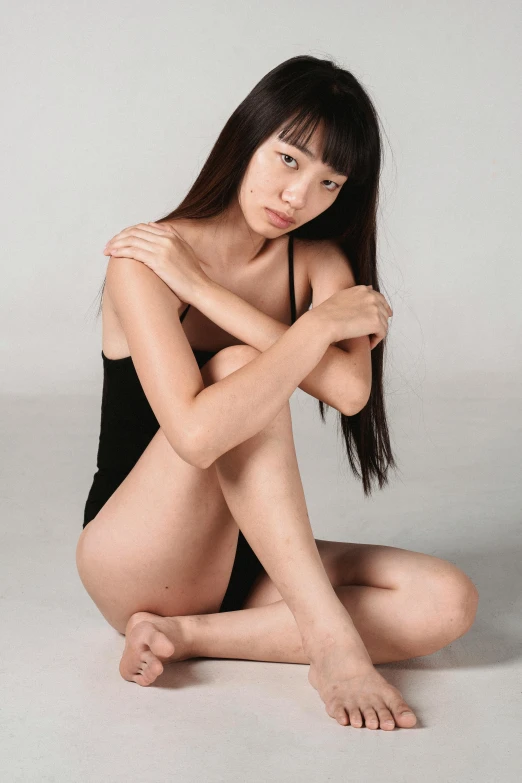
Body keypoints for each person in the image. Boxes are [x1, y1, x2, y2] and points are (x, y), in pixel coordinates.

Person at [76, 55, 478, 730]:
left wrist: (213, 293)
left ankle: (187, 634)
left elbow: (350, 391)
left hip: (240, 555)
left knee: (448, 600)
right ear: (247, 138)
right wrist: (312, 326)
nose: (299, 196)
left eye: (328, 182)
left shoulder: (315, 261)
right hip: (136, 551)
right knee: (238, 372)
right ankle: (330, 639)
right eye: (288, 160)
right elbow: (198, 435)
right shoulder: (147, 258)